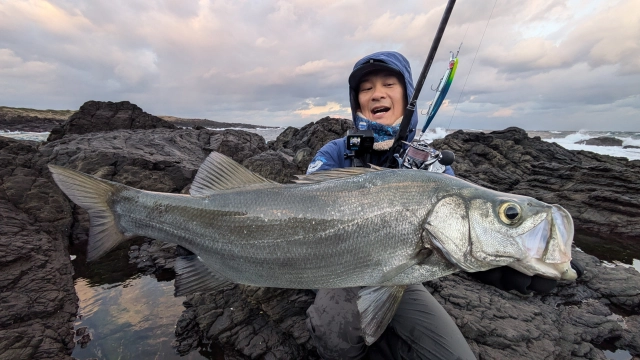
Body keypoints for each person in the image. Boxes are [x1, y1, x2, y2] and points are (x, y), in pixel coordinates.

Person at [304, 51, 568, 360]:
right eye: (365, 88)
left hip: (399, 277)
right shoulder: (335, 152)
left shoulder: (432, 168)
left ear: (407, 96)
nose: (377, 93)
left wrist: (494, 263)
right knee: (336, 335)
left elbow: (459, 235)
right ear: (357, 101)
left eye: (389, 83)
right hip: (335, 269)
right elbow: (308, 209)